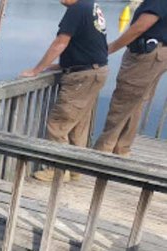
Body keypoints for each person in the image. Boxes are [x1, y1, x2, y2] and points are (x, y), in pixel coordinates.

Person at [21, 0, 108, 182]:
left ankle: (57, 170)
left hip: (82, 76)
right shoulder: (90, 6)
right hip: (93, 71)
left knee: (59, 123)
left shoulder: (76, 9)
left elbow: (60, 43)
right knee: (78, 124)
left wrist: (36, 70)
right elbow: (87, 43)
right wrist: (60, 65)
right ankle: (74, 168)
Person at [94, 0, 167, 156]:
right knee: (135, 104)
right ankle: (121, 149)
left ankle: (102, 153)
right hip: (158, 54)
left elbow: (141, 26)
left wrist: (110, 48)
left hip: (147, 54)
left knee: (123, 102)